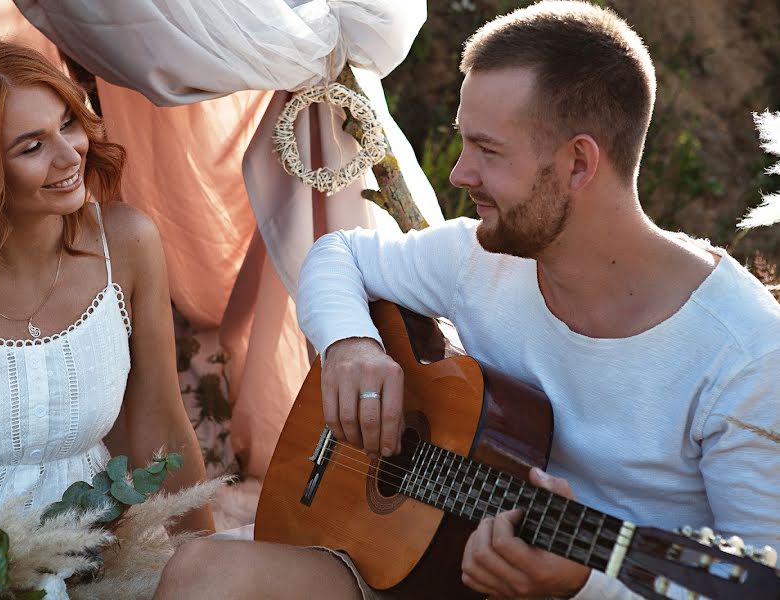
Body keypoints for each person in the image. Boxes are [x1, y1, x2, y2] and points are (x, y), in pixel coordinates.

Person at [153, 2, 780, 599]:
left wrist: (580, 584)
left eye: (488, 149)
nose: (458, 173)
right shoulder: (479, 257)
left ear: (579, 164)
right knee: (199, 570)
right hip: (424, 568)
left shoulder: (745, 355)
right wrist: (350, 346)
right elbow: (338, 254)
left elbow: (762, 576)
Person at [0, 39, 213, 534]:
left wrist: (205, 559)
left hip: (89, 552)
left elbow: (161, 423)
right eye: (31, 146)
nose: (69, 155)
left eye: (68, 124)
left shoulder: (127, 245)